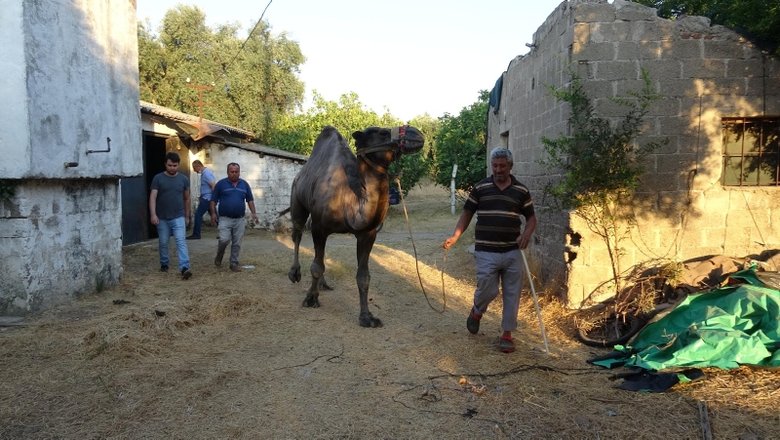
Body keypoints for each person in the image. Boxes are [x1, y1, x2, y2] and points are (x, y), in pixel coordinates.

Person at [442, 147, 537, 353]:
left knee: (512, 292)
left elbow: (531, 218)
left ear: (510, 166)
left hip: (512, 251)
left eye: (502, 166)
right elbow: (467, 213)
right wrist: (455, 236)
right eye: (495, 165)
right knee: (488, 288)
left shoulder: (521, 191)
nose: (498, 169)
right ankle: (477, 311)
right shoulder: (481, 188)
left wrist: (526, 234)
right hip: (486, 250)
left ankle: (507, 334)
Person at [149, 152, 193, 280]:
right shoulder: (158, 178)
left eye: (175, 165)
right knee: (163, 242)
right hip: (162, 217)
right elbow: (153, 197)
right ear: (165, 164)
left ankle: (184, 267)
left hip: (178, 216)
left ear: (178, 165)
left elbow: (187, 198)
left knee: (181, 241)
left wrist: (187, 216)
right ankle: (164, 263)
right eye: (170, 165)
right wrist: (153, 214)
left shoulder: (184, 179)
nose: (172, 168)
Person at [209, 162, 259, 272]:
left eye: (236, 172)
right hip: (224, 219)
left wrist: (254, 213)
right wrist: (213, 214)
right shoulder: (221, 184)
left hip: (239, 219)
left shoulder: (244, 184)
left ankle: (234, 263)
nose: (234, 173)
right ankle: (219, 255)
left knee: (237, 243)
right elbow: (213, 200)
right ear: (227, 172)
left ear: (239, 172)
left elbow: (250, 200)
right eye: (232, 172)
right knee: (224, 240)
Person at [187, 160, 217, 240]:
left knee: (198, 215)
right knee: (215, 216)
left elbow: (213, 185)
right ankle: (226, 233)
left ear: (198, 166)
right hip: (208, 198)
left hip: (207, 199)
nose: (194, 170)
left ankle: (196, 234)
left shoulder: (206, 174)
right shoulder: (205, 173)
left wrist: (213, 199)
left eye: (194, 168)